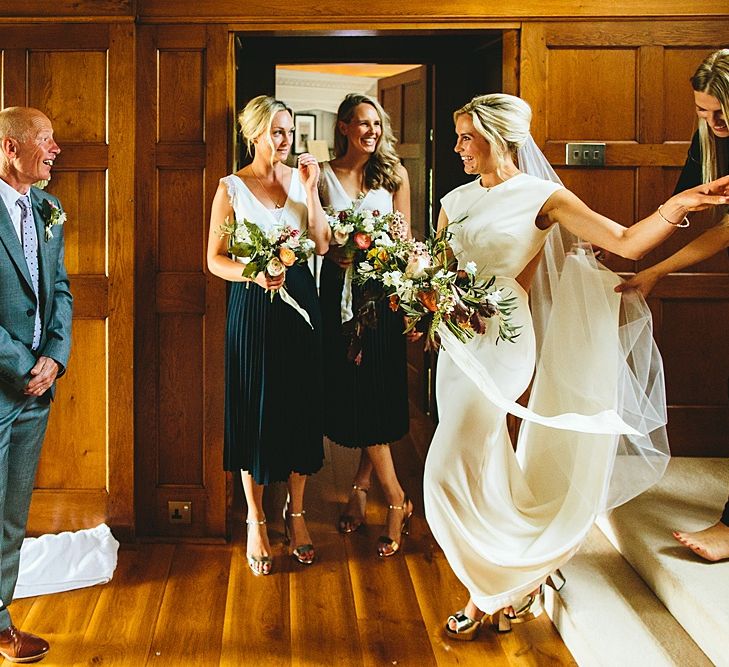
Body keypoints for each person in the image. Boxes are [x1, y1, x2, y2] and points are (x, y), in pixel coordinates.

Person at [422, 93, 729, 641]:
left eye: (468, 136)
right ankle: (504, 586)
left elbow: (626, 242)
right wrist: (424, 296)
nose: (458, 147)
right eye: (458, 135)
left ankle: (491, 587)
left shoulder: (545, 197)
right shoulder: (453, 200)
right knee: (486, 458)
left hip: (506, 342)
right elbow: (439, 275)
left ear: (499, 137)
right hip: (457, 345)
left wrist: (677, 206)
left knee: (443, 471)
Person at [207, 95, 330, 576]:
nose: (286, 140)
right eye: (278, 131)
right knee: (254, 405)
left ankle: (296, 514)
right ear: (255, 133)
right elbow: (214, 259)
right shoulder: (231, 188)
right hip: (255, 303)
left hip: (302, 302)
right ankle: (256, 519)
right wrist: (253, 272)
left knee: (301, 406)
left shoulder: (302, 182)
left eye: (290, 131)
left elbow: (320, 243)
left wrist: (313, 190)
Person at [616, 48, 729, 562]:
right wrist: (656, 270)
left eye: (721, 110)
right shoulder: (712, 137)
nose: (713, 122)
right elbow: (722, 229)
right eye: (703, 112)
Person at [318, 93, 416, 557]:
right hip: (338, 297)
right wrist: (334, 249)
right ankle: (366, 490)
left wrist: (408, 295)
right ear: (343, 127)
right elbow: (314, 238)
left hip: (383, 297)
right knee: (353, 392)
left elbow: (407, 239)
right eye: (362, 124)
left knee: (374, 393)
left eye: (377, 124)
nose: (372, 131)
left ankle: (393, 499)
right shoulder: (321, 176)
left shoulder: (394, 175)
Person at [0, 106, 72, 662]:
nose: (55, 149)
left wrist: (54, 358)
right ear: (10, 147)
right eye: (45, 140)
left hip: (37, 392)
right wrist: (22, 363)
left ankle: (0, 621)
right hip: (3, 384)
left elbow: (61, 292)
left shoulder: (47, 208)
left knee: (11, 514)